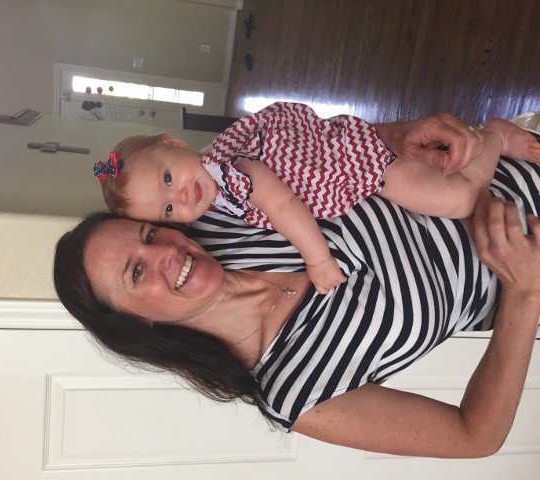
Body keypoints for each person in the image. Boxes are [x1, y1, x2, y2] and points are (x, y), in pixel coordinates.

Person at [55, 113, 540, 458]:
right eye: (136, 273)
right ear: (138, 323)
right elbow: (474, 436)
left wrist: (399, 133)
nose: (164, 252)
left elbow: (312, 143)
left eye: (149, 234)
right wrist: (524, 292)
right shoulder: (296, 390)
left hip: (521, 163)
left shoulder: (222, 209)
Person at [92, 102, 540, 294]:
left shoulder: (235, 170)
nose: (182, 196)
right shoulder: (214, 189)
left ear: (173, 143)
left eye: (169, 177)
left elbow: (285, 206)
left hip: (359, 164)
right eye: (169, 208)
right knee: (443, 176)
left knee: (460, 199)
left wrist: (319, 260)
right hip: (346, 164)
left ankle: (496, 136)